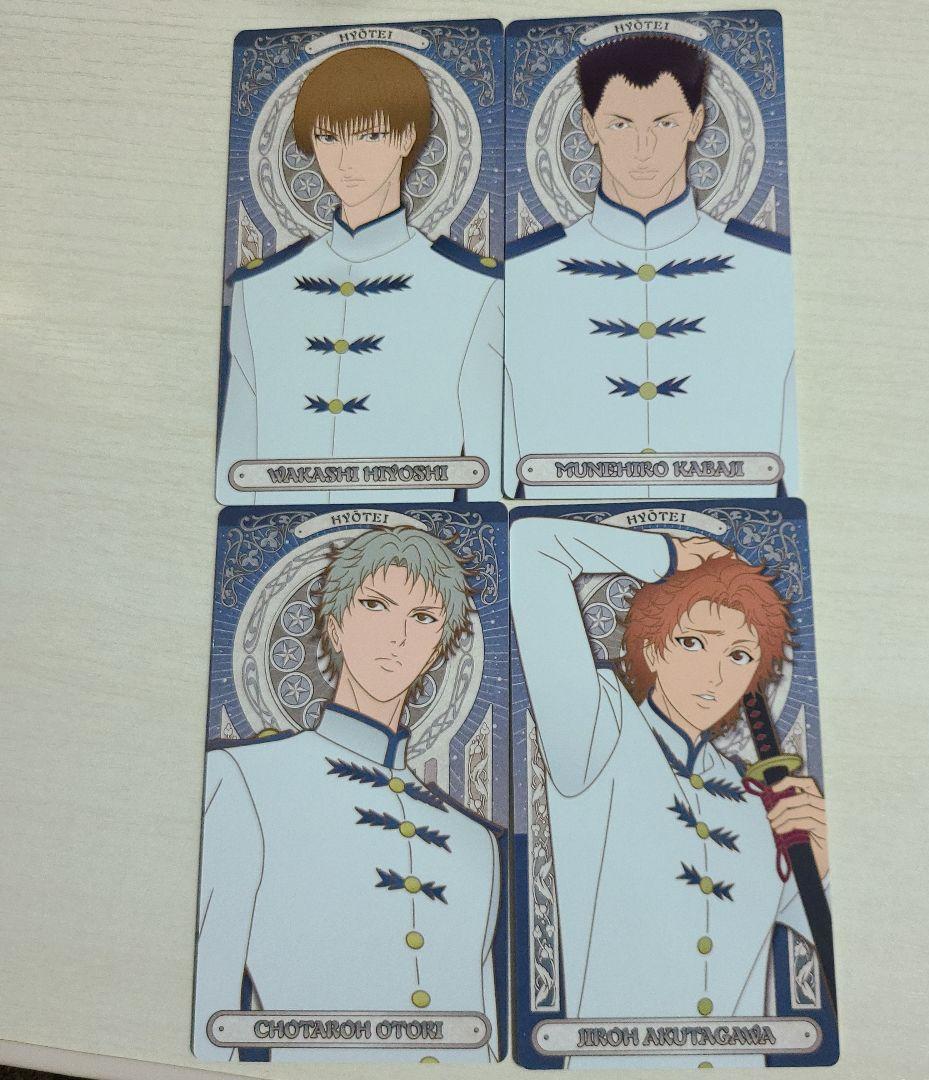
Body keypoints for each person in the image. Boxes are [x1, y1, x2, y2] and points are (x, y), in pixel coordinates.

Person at [510, 516, 828, 1068]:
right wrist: (668, 557)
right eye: (692, 642)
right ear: (653, 648)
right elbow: (532, 547)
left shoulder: (760, 802)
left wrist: (821, 870)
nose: (715, 674)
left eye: (739, 655)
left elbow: (837, 956)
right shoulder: (596, 732)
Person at [194, 527, 501, 1062]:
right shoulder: (244, 780)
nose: (397, 636)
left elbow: (485, 1039)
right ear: (334, 627)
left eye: (422, 618)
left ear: (437, 649)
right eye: (376, 606)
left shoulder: (476, 842)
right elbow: (208, 1014)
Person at [505, 35, 797, 499]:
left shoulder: (769, 269)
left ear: (696, 122)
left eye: (665, 122)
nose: (643, 148)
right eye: (620, 124)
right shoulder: (521, 274)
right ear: (589, 125)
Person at [217, 48, 503, 505]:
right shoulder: (259, 288)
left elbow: (486, 470)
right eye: (329, 137)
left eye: (370, 135)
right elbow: (234, 470)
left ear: (407, 137)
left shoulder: (476, 288)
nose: (346, 160)